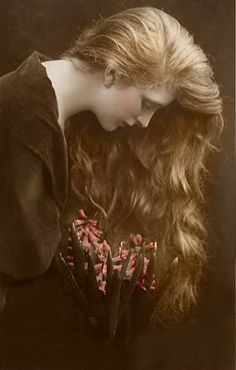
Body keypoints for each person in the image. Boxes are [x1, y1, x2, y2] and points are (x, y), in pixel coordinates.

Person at [0, 6, 223, 369]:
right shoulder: (19, 113)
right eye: (147, 103)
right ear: (113, 71)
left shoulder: (52, 110)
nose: (145, 121)